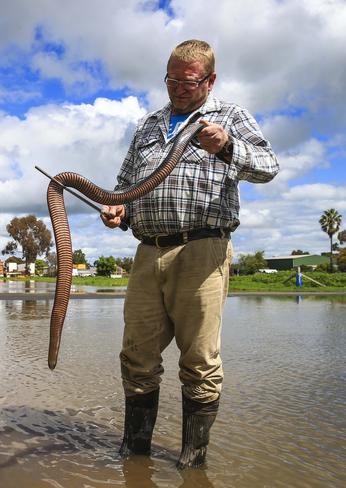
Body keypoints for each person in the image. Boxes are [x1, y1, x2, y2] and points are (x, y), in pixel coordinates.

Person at [101, 39, 279, 469]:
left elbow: (269, 166)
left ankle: (192, 458)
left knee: (199, 359)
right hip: (147, 252)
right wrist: (118, 208)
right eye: (171, 80)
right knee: (137, 354)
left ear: (210, 80)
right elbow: (125, 183)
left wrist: (229, 146)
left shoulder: (229, 117)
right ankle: (136, 451)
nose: (178, 89)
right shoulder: (149, 125)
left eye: (188, 81)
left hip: (203, 249)